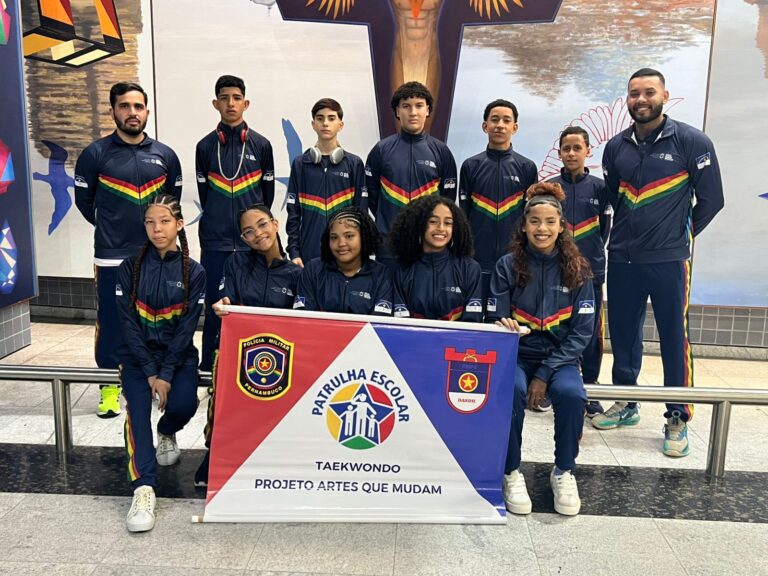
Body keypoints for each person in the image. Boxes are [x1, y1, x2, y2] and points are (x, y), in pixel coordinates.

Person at [594, 68, 724, 457]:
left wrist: (677, 237)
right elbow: (614, 200)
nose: (641, 100)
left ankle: (677, 416)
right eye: (634, 93)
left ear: (664, 95)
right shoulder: (615, 147)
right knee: (623, 334)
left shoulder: (692, 141)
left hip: (669, 261)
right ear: (627, 99)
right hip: (622, 259)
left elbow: (712, 200)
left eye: (649, 92)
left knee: (673, 337)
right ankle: (626, 401)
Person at [75, 81, 183, 418]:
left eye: (138, 106)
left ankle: (151, 381)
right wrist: (112, 228)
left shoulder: (165, 156)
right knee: (111, 322)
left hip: (155, 256)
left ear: (147, 111)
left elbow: (172, 205)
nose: (132, 112)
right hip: (111, 256)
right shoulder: (95, 154)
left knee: (155, 319)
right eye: (124, 106)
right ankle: (109, 387)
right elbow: (85, 203)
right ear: (113, 111)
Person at [488, 182, 595, 517]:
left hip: (560, 360)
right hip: (516, 355)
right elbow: (496, 316)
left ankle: (563, 471)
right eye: (534, 221)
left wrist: (546, 373)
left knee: (573, 395)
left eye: (550, 222)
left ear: (561, 226)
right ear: (524, 225)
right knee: (511, 391)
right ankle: (510, 471)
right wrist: (501, 323)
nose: (542, 228)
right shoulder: (507, 265)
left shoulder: (579, 269)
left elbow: (582, 333)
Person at [115, 194, 206, 532]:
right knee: (137, 414)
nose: (157, 229)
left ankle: (167, 430)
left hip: (178, 357)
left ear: (179, 225)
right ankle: (143, 489)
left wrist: (166, 373)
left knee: (183, 405)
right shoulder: (129, 268)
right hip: (137, 359)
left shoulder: (194, 272)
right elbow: (127, 325)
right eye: (150, 222)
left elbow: (186, 329)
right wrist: (151, 371)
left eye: (165, 221)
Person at [194, 204, 301, 487]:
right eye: (249, 232)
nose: (258, 234)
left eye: (262, 225)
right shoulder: (235, 263)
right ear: (243, 239)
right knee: (225, 402)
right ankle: (215, 452)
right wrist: (223, 304)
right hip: (238, 351)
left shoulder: (296, 274)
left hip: (279, 356)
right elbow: (227, 298)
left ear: (276, 224)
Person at [195, 74, 275, 372]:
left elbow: (266, 198)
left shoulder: (262, 145)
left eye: (237, 98)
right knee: (215, 306)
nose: (231, 103)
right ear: (215, 103)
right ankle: (210, 370)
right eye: (224, 98)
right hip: (215, 242)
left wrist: (256, 233)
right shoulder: (205, 147)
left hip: (251, 244)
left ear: (246, 103)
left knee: (252, 307)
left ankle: (251, 369)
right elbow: (205, 196)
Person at [548, 126, 612, 417]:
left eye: (577, 148)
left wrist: (589, 257)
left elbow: (605, 229)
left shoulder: (601, 188)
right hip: (554, 269)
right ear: (559, 152)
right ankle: (553, 384)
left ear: (588, 151)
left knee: (590, 331)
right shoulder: (550, 188)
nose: (571, 153)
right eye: (566, 148)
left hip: (590, 271)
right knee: (554, 326)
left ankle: (590, 387)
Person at [365, 81, 457, 265]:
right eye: (406, 106)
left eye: (419, 106)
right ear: (398, 111)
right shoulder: (381, 150)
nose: (413, 112)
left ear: (427, 110)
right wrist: (388, 220)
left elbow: (447, 200)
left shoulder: (442, 152)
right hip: (389, 246)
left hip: (428, 246)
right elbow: (372, 196)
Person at [458, 98, 538, 303]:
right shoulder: (470, 166)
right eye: (494, 120)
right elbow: (463, 215)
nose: (500, 125)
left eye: (506, 120)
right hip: (476, 259)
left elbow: (530, 217)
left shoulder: (527, 167)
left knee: (508, 316)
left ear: (515, 127)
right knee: (475, 314)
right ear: (485, 126)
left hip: (515, 259)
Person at [286, 98, 367, 267]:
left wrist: (361, 251)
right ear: (313, 124)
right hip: (309, 254)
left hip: (345, 253)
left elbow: (361, 213)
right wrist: (294, 252)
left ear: (340, 125)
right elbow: (293, 213)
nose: (325, 123)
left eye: (331, 118)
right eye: (320, 118)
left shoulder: (354, 164)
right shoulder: (300, 164)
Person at [388, 195, 482, 322]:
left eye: (448, 223)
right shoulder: (403, 270)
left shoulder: (469, 269)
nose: (441, 228)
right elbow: (400, 325)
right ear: (419, 224)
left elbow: (472, 324)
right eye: (433, 221)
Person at [293, 206, 393, 315]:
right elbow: (304, 319)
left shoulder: (381, 275)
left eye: (349, 236)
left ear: (364, 237)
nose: (341, 243)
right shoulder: (312, 271)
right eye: (334, 237)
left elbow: (379, 322)